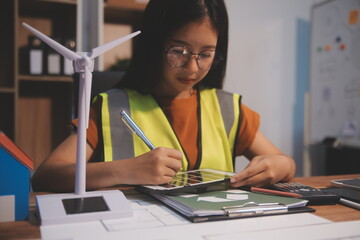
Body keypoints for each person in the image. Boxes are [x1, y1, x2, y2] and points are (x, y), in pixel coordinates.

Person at [32, 0, 295, 192]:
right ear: (153, 46)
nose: (191, 68)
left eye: (205, 54)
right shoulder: (111, 108)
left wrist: (281, 166)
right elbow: (46, 176)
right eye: (178, 51)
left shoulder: (228, 109)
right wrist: (127, 170)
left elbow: (286, 164)